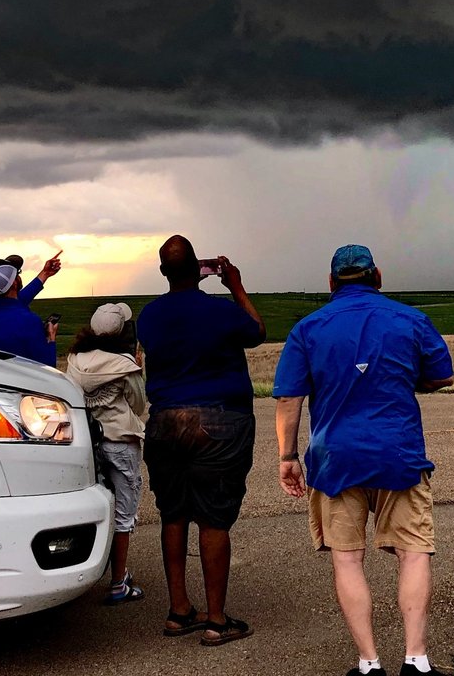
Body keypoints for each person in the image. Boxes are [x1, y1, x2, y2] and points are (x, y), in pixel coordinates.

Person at [274, 245, 454, 676]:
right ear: (378, 276)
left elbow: (288, 399)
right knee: (414, 552)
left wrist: (288, 456)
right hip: (399, 453)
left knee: (347, 558)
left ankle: (369, 664)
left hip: (334, 459)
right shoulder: (411, 319)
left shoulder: (308, 328)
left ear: (331, 282)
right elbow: (442, 375)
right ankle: (416, 661)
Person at [137, 235, 265, 646]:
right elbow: (257, 332)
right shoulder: (220, 310)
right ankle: (216, 619)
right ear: (199, 269)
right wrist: (236, 285)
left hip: (164, 422)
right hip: (218, 421)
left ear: (163, 272)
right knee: (213, 518)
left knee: (172, 514)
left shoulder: (149, 316)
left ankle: (179, 610)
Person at [66, 302, 147, 605]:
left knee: (96, 506)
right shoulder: (124, 364)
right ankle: (118, 582)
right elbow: (138, 404)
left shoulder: (75, 360)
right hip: (121, 441)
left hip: (89, 442)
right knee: (124, 512)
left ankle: (91, 570)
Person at [0, 251, 63, 365]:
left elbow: (15, 302)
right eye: (17, 274)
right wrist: (51, 338)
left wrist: (45, 273)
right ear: (15, 283)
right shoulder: (30, 321)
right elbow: (48, 366)